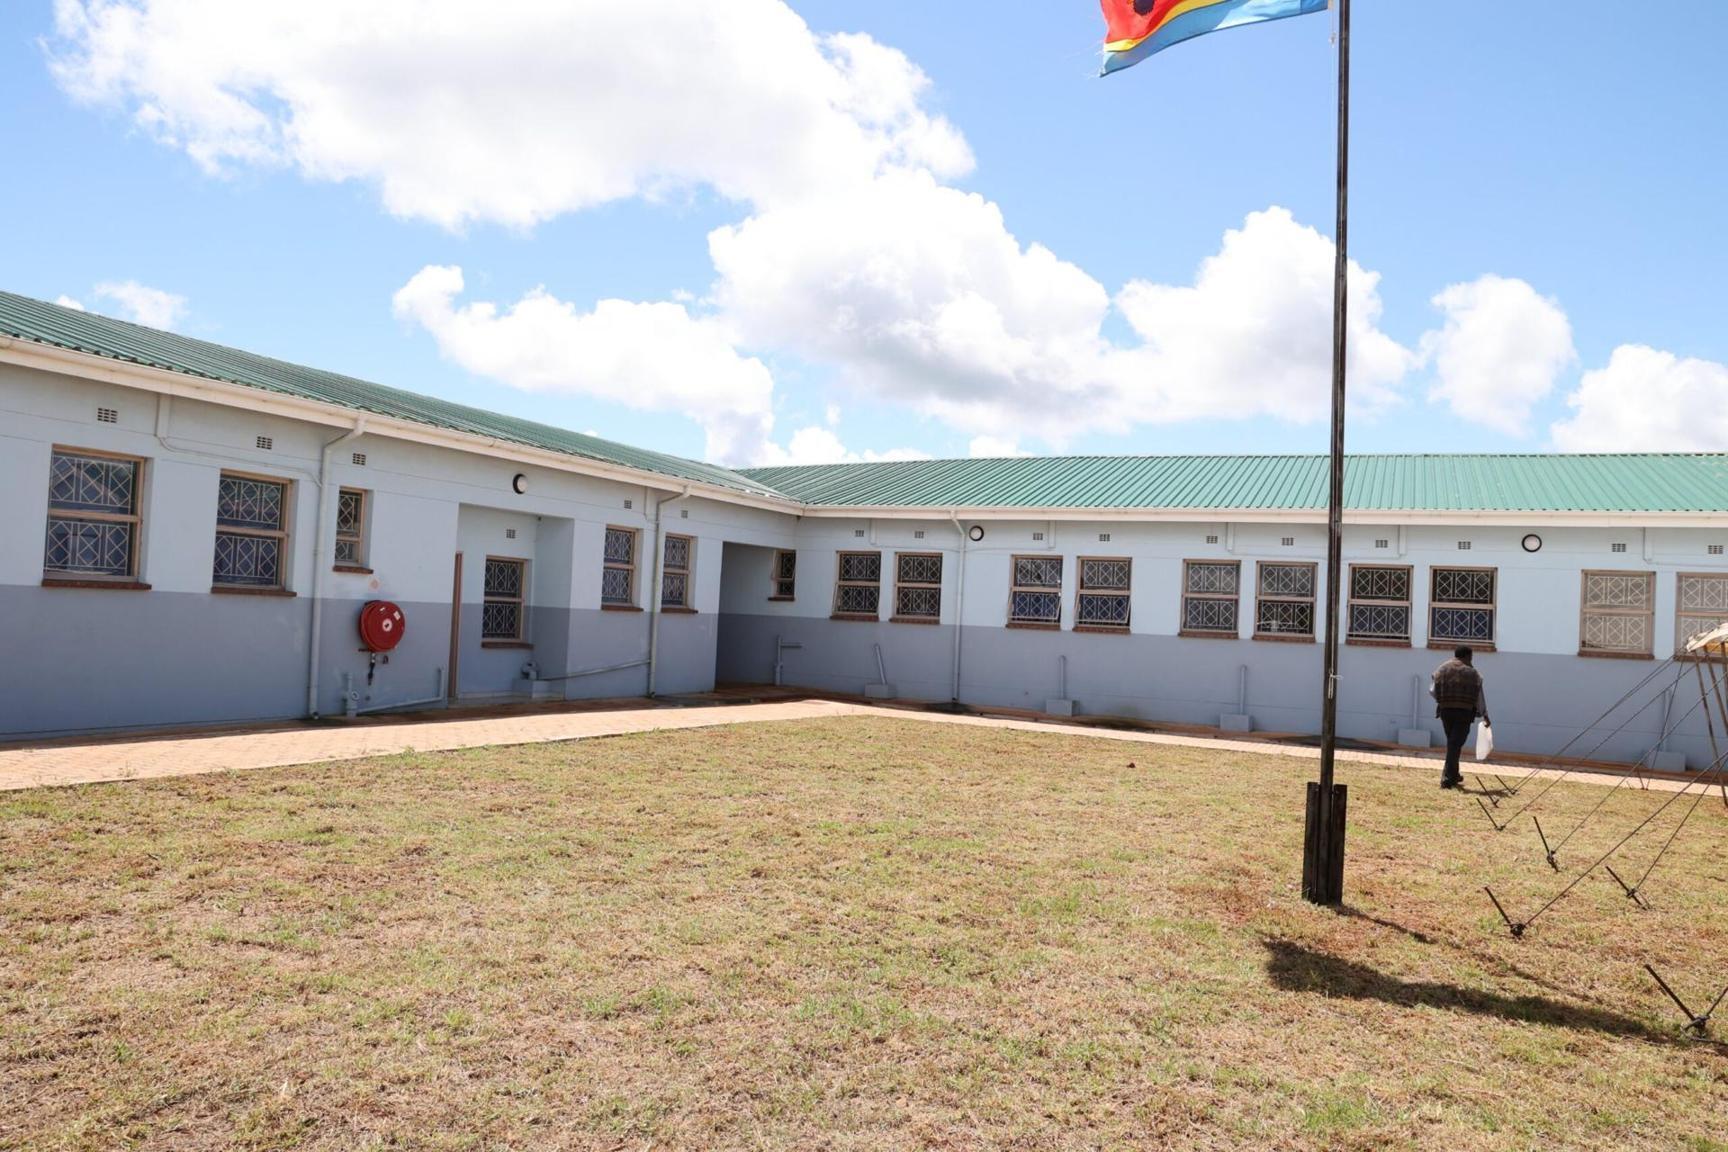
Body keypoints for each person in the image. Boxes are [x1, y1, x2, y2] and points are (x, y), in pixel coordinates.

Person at [1431, 645, 1489, 790]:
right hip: (1464, 713)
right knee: (1455, 744)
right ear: (1467, 656)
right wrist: (1485, 715)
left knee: (1453, 743)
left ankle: (1454, 775)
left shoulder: (1442, 669)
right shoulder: (1473, 673)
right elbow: (1479, 698)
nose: (1471, 660)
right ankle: (1447, 779)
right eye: (1471, 657)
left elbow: (1432, 691)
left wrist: (1443, 700)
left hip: (1445, 711)